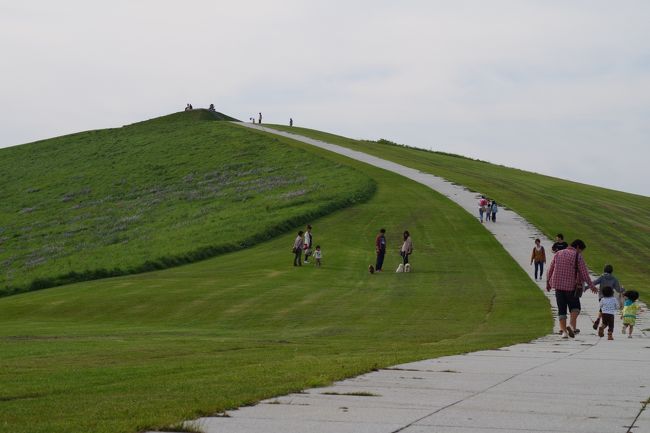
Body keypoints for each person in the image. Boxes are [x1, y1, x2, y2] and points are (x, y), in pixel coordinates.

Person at [546, 239, 597, 338]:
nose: (581, 252)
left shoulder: (558, 253)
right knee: (576, 308)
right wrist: (591, 286)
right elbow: (584, 273)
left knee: (561, 309)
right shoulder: (577, 256)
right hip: (571, 287)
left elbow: (550, 269)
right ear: (577, 247)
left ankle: (564, 332)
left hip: (558, 286)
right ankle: (571, 325)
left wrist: (548, 282)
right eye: (581, 250)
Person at [591, 264, 623, 330]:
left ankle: (598, 319)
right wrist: (623, 289)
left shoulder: (602, 277)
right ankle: (602, 324)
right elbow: (618, 289)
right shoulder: (614, 279)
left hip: (601, 297)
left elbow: (594, 282)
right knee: (605, 311)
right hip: (610, 297)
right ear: (612, 271)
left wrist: (586, 287)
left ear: (604, 270)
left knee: (602, 308)